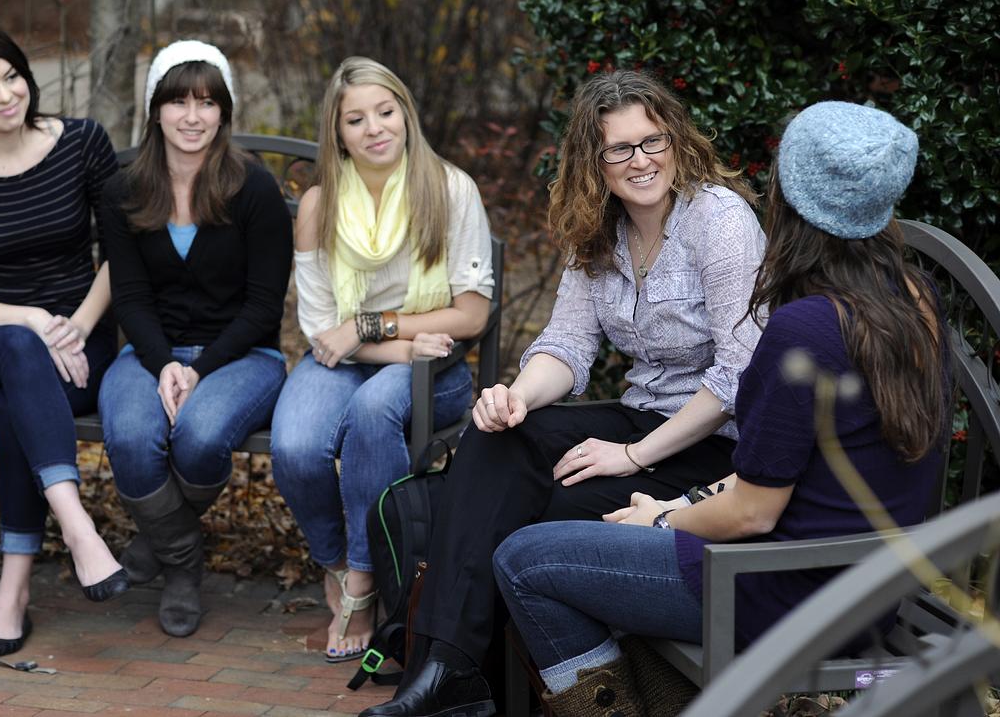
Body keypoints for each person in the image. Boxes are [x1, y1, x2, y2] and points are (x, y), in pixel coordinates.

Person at [492, 101, 948, 717]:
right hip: (867, 585)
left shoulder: (805, 329)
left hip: (782, 590)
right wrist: (676, 504)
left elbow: (751, 515)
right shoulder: (912, 297)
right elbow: (779, 474)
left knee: (524, 559)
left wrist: (658, 523)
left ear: (791, 196)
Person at [362, 70, 764, 717]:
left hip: (713, 444)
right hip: (641, 417)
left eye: (652, 142)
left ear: (677, 141)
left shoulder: (719, 222)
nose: (640, 162)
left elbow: (739, 375)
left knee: (540, 510)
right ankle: (446, 669)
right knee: (496, 437)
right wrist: (517, 396)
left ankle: (475, 677)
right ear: (594, 162)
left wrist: (633, 458)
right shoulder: (598, 229)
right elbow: (568, 344)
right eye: (619, 150)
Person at [270, 56, 495, 662]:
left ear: (405, 113)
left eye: (385, 111)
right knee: (293, 444)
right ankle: (337, 562)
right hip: (353, 358)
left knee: (373, 411)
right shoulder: (320, 205)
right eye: (355, 119)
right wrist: (394, 344)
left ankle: (367, 582)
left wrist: (371, 326)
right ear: (336, 132)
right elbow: (321, 329)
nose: (374, 129)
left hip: (432, 372)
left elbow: (471, 316)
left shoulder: (449, 189)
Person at [0, 20, 128, 658]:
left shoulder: (83, 142)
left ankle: (13, 593)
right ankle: (78, 525)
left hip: (80, 340)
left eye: (13, 76)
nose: (7, 95)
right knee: (17, 349)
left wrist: (80, 324)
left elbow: (121, 253)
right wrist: (32, 319)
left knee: (17, 405)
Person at [98, 40, 293, 637]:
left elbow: (263, 308)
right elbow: (129, 297)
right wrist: (163, 365)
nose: (192, 115)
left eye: (207, 102)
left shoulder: (254, 190)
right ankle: (183, 560)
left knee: (200, 435)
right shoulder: (123, 191)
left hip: (243, 355)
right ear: (155, 109)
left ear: (224, 111)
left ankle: (157, 548)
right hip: (150, 354)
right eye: (178, 100)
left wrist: (199, 368)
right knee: (131, 435)